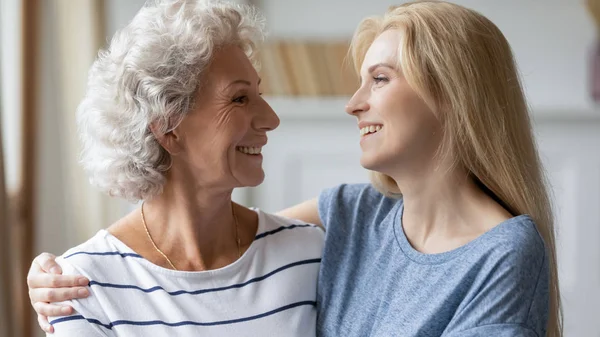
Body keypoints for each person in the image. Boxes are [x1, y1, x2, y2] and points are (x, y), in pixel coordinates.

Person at [28, 1, 563, 336]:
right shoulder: (352, 216)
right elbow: (208, 252)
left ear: (454, 93)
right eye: (240, 98)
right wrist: (52, 276)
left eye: (379, 79)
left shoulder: (503, 253)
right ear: (168, 126)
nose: (352, 104)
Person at [26, 0, 325, 336]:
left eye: (259, 93)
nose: (271, 119)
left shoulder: (307, 253)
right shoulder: (80, 286)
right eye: (239, 98)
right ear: (168, 127)